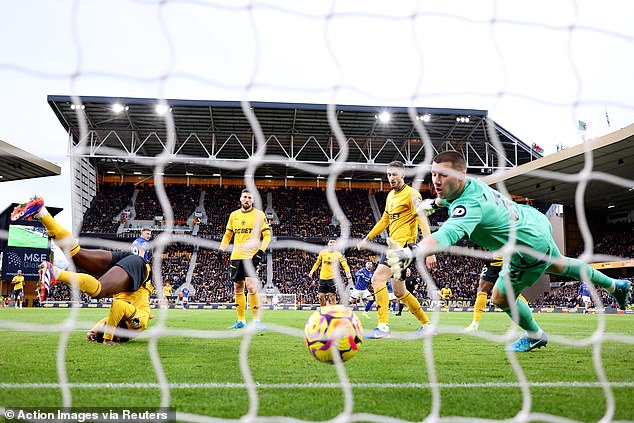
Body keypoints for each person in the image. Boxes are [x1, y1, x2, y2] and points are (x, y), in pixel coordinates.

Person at [388, 151, 632, 351]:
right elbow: (444, 199)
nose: (436, 181)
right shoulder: (465, 187)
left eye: (443, 175)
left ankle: (535, 334)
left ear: (461, 174)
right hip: (534, 221)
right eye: (433, 175)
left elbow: (445, 236)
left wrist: (412, 251)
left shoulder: (469, 205)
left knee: (500, 297)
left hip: (526, 246)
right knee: (560, 265)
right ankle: (615, 285)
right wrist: (432, 204)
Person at [11, 196, 154, 345]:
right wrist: (107, 338)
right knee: (99, 290)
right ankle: (56, 273)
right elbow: (118, 307)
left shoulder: (126, 320)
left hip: (130, 271)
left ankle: (42, 213)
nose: (108, 325)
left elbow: (113, 315)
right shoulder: (138, 324)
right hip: (139, 268)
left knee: (76, 254)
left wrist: (93, 330)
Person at [357, 160, 437, 339]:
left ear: (403, 174)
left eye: (394, 174)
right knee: (399, 292)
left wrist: (430, 250)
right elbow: (384, 220)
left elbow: (423, 220)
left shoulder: (412, 195)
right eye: (388, 175)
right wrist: (367, 239)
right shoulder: (390, 196)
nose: (391, 178)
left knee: (377, 278)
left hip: (405, 247)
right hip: (395, 247)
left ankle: (383, 327)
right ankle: (427, 325)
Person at [219, 188, 271, 330]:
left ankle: (256, 321)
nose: (247, 199)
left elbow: (267, 236)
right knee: (238, 287)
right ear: (240, 199)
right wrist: (221, 249)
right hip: (236, 256)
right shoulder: (233, 215)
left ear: (253, 200)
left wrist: (261, 252)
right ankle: (241, 320)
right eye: (245, 197)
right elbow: (228, 235)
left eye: (249, 197)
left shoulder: (259, 215)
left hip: (252, 256)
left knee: (251, 286)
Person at [308, 240, 353, 307]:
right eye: (330, 242)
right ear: (328, 244)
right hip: (323, 278)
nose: (332, 243)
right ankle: (323, 311)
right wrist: (312, 271)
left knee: (332, 296)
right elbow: (317, 263)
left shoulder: (338, 254)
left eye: (333, 242)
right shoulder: (323, 253)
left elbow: (345, 265)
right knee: (321, 296)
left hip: (332, 278)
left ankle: (333, 312)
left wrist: (348, 273)